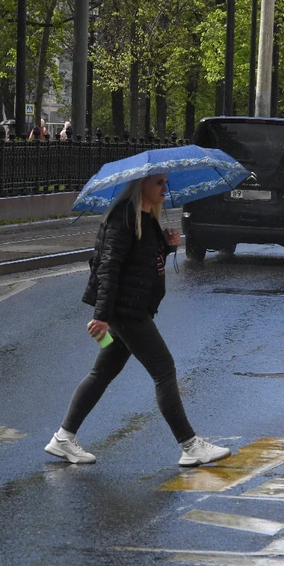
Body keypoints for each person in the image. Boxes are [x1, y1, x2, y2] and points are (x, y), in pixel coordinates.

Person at [45, 174, 232, 466]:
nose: (164, 188)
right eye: (158, 183)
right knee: (164, 371)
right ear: (139, 185)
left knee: (102, 373)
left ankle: (64, 438)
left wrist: (168, 245)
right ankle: (190, 445)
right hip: (126, 310)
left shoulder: (146, 218)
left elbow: (141, 262)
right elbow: (109, 268)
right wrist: (102, 316)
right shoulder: (123, 218)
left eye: (166, 182)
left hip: (133, 307)